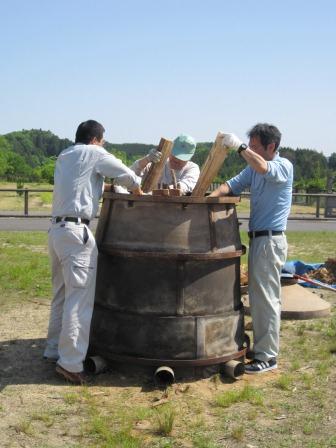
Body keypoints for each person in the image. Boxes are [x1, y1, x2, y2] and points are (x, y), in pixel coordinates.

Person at [44, 120, 142, 384]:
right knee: (80, 299)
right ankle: (71, 364)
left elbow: (85, 185)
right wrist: (140, 181)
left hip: (56, 230)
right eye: (104, 140)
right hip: (76, 232)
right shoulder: (96, 153)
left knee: (62, 294)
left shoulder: (65, 155)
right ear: (97, 139)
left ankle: (53, 350)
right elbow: (128, 177)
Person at [210, 123, 293, 374]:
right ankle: (263, 350)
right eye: (251, 146)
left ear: (271, 147)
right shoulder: (253, 169)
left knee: (266, 299)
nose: (252, 151)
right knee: (258, 298)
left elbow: (262, 166)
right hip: (259, 240)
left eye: (256, 146)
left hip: (270, 241)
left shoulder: (282, 166)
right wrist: (205, 200)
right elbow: (229, 185)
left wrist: (240, 147)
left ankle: (268, 356)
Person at [129, 134, 200, 194]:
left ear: (190, 157)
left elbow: (185, 185)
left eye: (182, 158)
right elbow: (130, 174)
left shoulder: (192, 168)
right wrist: (147, 159)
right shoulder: (159, 163)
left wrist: (156, 194)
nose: (176, 159)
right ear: (170, 151)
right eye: (174, 155)